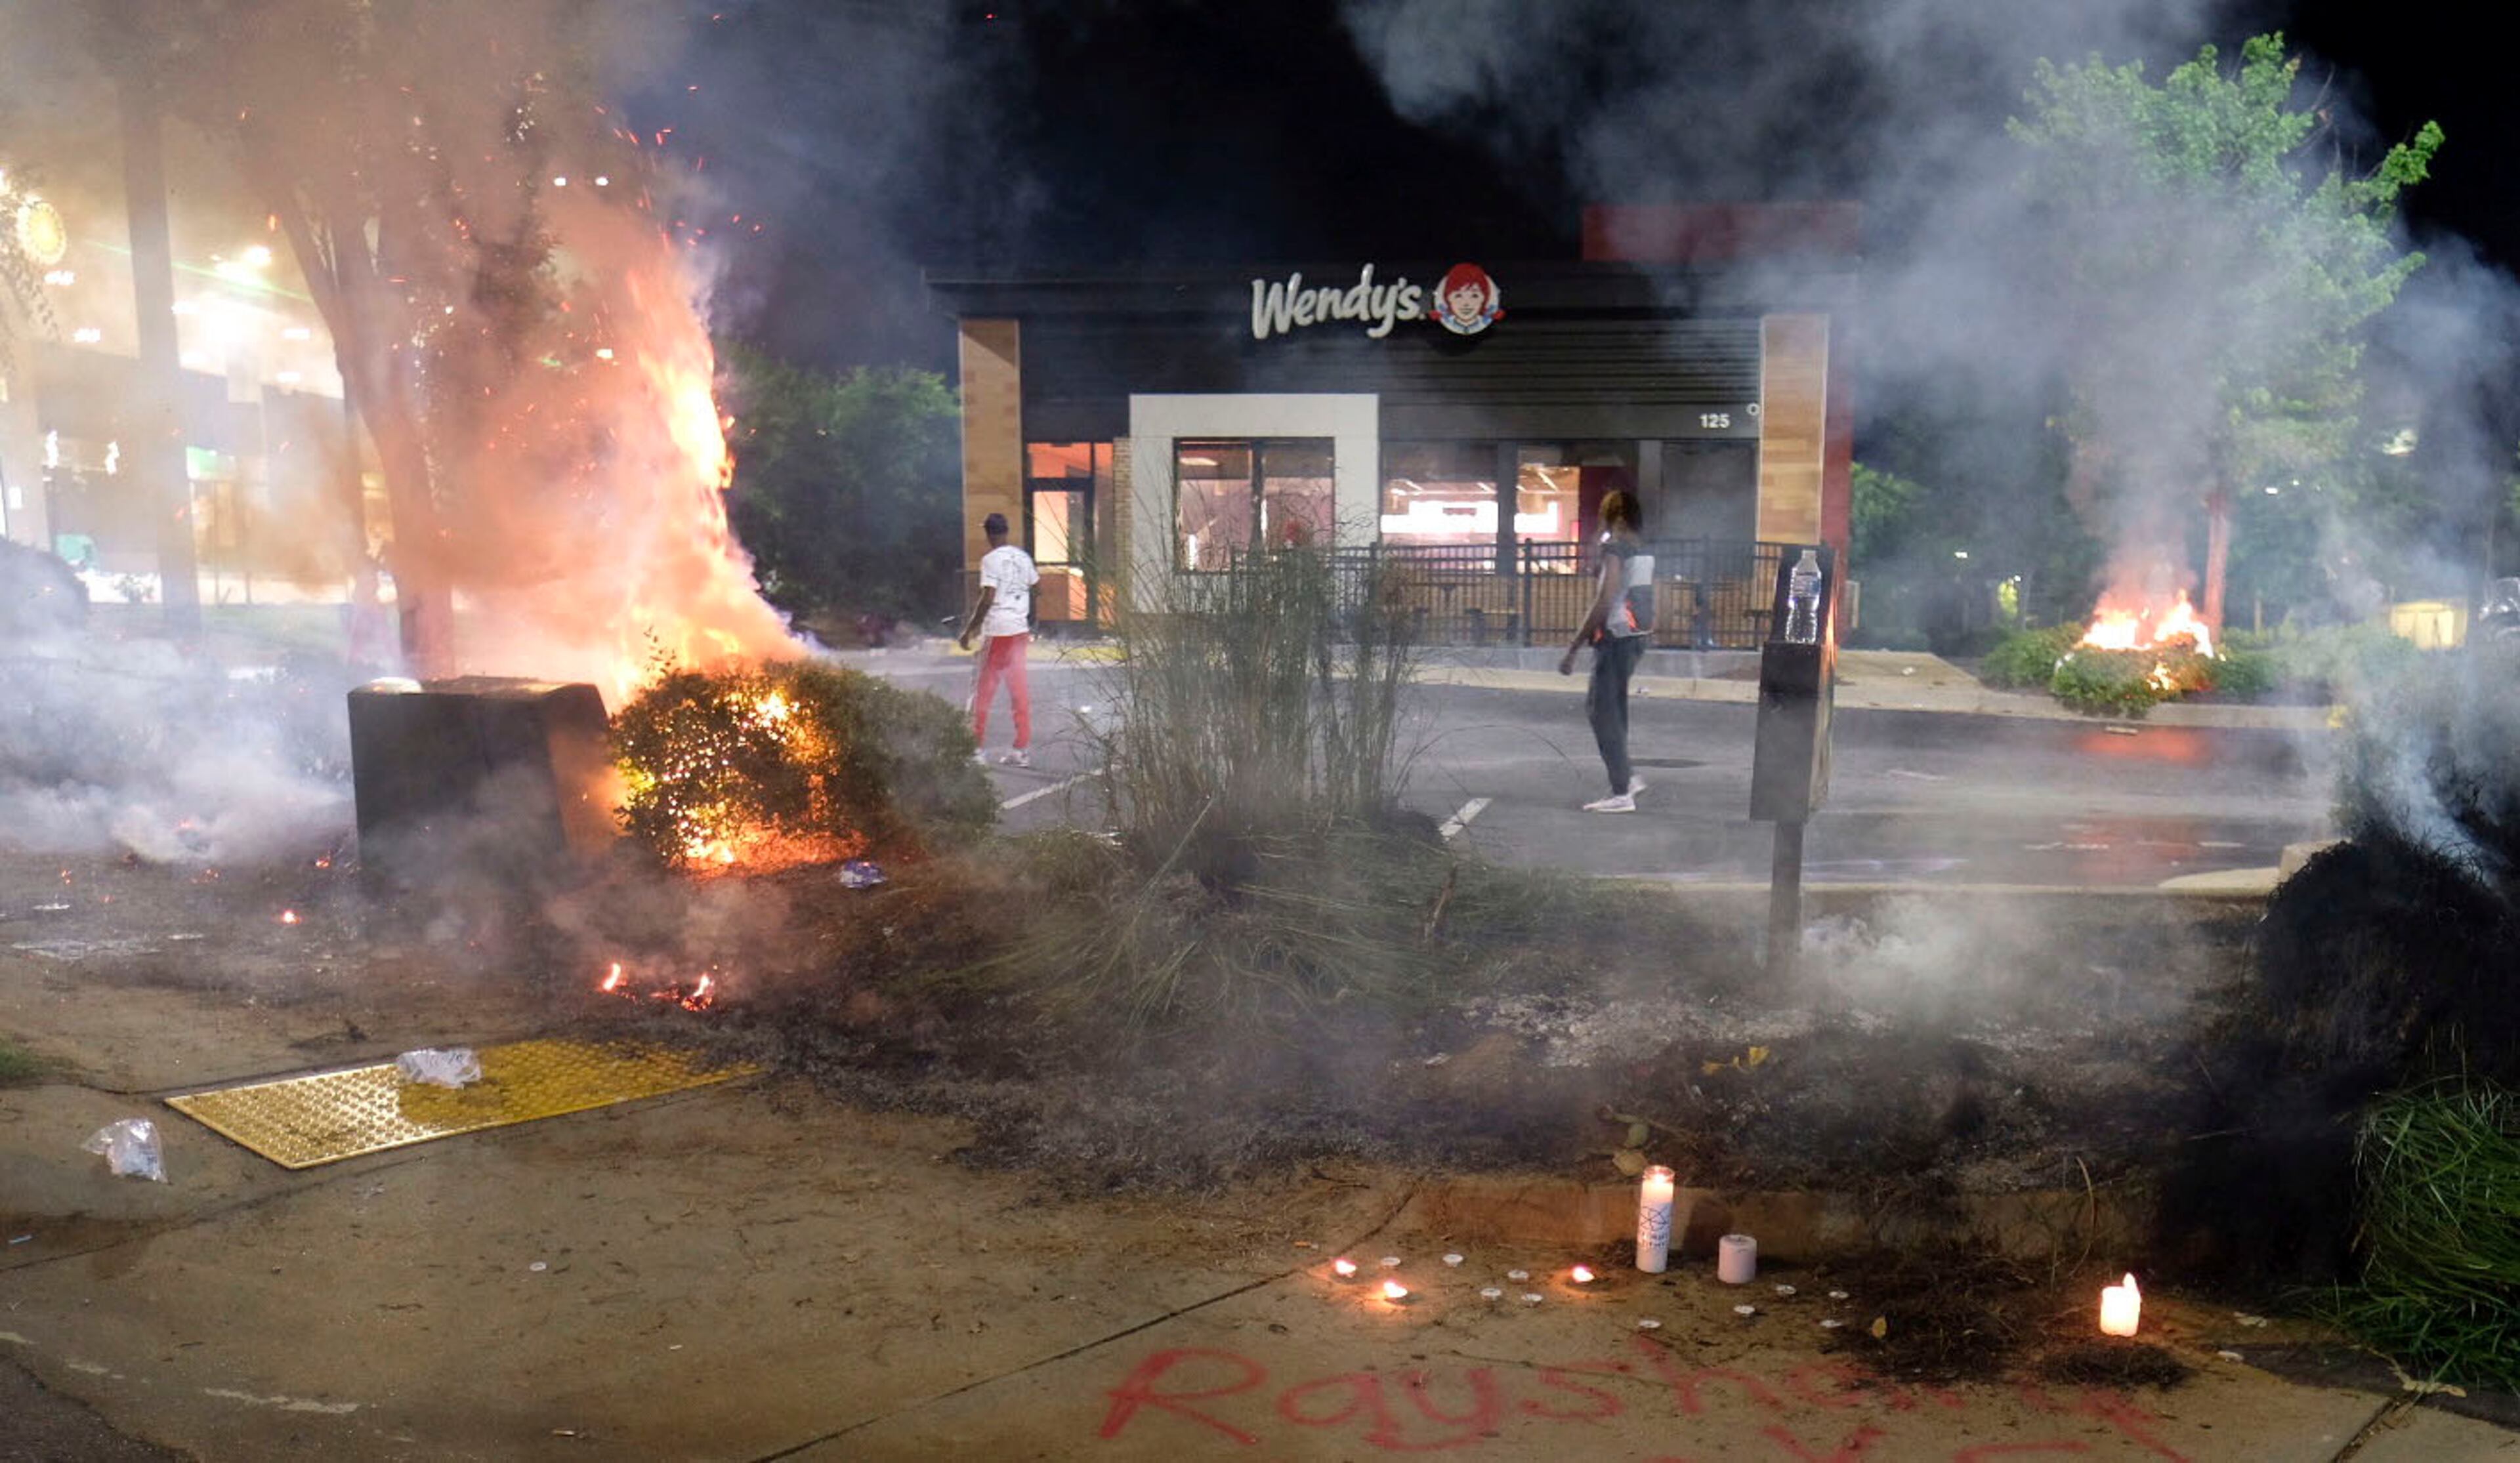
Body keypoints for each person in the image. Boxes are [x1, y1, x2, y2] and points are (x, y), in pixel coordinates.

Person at [1557, 490, 1654, 812]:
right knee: (1614, 708)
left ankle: (1621, 791)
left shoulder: (1615, 548)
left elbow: (1605, 599)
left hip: (1615, 637)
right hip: (1635, 636)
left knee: (1602, 711)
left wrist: (1574, 647)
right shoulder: (1641, 548)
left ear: (1611, 515)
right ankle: (1626, 777)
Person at [958, 511, 1040, 767]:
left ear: (989, 534)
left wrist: (970, 629)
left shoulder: (990, 560)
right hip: (1019, 631)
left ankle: (976, 749)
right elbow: (1037, 588)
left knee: (982, 692)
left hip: (997, 632)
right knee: (1019, 690)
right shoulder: (1023, 558)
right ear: (1006, 532)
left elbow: (989, 597)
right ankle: (1021, 749)